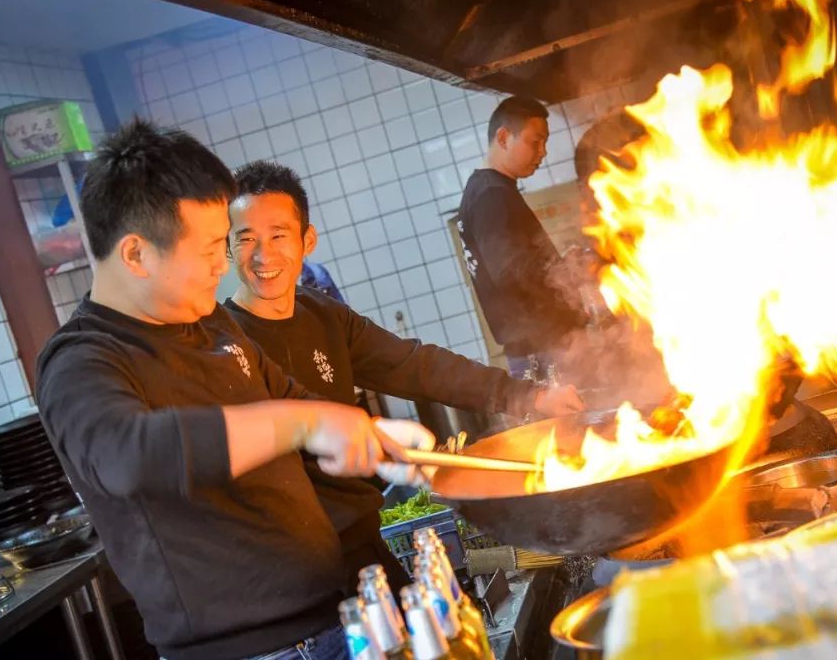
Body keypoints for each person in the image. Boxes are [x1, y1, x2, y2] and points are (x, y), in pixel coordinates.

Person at [35, 120, 405, 660]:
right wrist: (302, 425)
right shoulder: (81, 361)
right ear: (136, 254)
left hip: (333, 615)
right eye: (211, 247)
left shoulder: (209, 322)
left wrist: (378, 437)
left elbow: (290, 398)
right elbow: (128, 455)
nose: (225, 262)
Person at [223, 160, 587, 593]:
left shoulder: (324, 316)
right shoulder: (223, 343)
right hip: (293, 566)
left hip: (361, 543)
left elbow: (415, 365)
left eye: (279, 236)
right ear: (226, 248)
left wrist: (526, 396)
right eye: (246, 240)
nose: (263, 256)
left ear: (307, 240)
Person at [456, 96, 590, 382]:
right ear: (503, 138)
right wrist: (569, 270)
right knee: (569, 426)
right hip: (542, 352)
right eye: (535, 141)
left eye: (545, 142)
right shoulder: (491, 194)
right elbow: (512, 272)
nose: (543, 152)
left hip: (540, 347)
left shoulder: (489, 190)